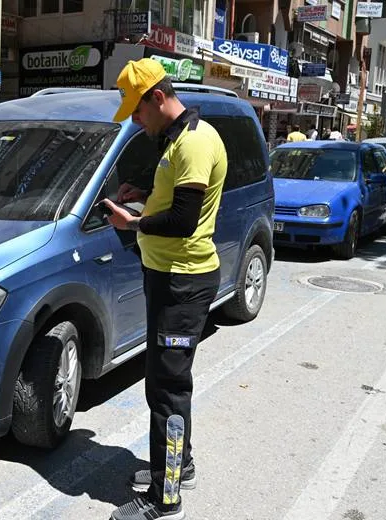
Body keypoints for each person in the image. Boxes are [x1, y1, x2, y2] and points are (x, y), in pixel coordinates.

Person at [103, 58, 227, 520]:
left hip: (182, 282)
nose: (136, 120)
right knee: (165, 382)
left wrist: (133, 221)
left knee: (168, 389)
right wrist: (143, 195)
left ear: (158, 97)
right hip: (167, 276)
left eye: (137, 110)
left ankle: (164, 496)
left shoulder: (193, 143)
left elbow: (183, 221)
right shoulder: (177, 138)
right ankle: (179, 465)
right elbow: (172, 202)